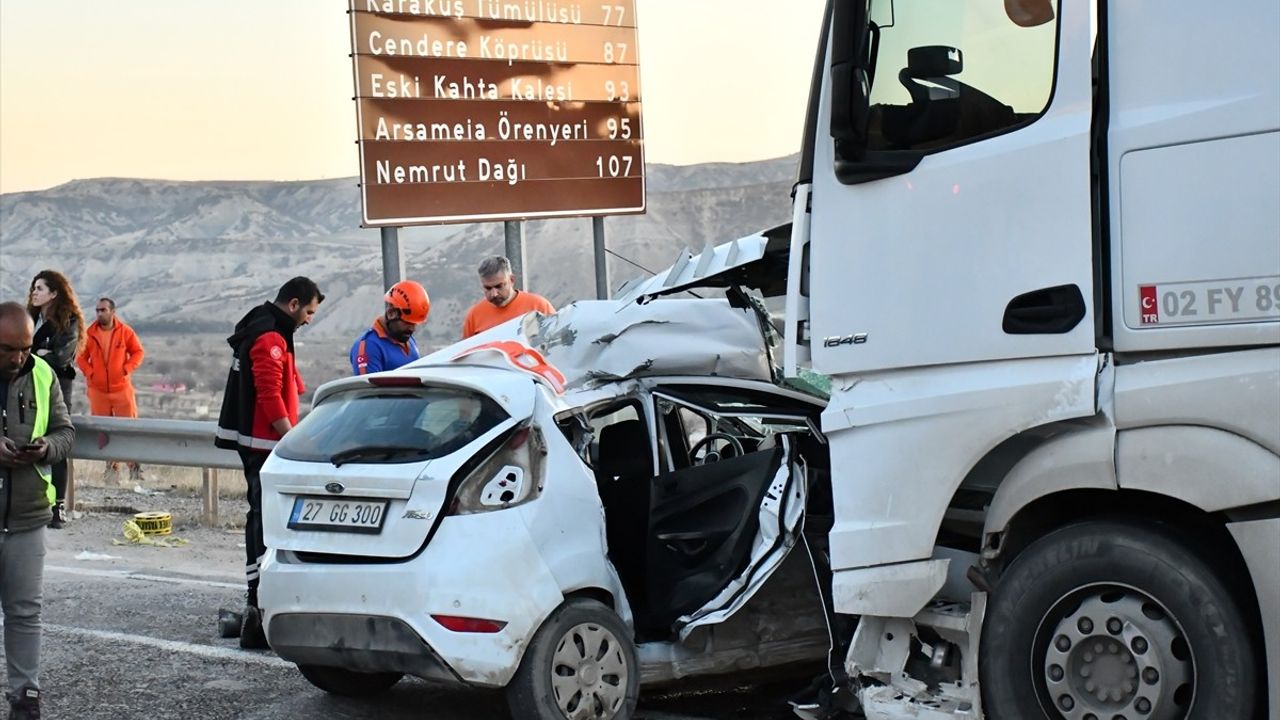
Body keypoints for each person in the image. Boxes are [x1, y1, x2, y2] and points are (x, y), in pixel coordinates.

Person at [214, 277, 323, 649]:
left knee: (261, 520)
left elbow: (285, 386)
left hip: (260, 444)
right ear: (293, 304)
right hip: (266, 447)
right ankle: (257, 606)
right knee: (264, 523)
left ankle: (258, 607)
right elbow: (270, 395)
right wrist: (291, 437)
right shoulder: (270, 338)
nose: (309, 320)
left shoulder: (265, 327)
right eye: (308, 311)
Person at [0, 301, 76, 720]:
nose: (18, 358)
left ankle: (25, 698)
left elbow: (67, 433)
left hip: (29, 514)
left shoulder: (44, 375)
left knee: (26, 612)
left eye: (25, 348)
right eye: (8, 349)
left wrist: (46, 447)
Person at [27, 270, 84, 530]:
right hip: (27, 388)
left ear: (54, 293)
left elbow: (61, 358)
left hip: (57, 388)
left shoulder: (68, 321)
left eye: (40, 288)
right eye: (33, 288)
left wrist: (35, 355)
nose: (34, 292)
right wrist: (39, 352)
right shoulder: (29, 318)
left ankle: (57, 506)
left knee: (57, 445)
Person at [76, 297, 146, 483]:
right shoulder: (89, 333)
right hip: (98, 391)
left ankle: (135, 470)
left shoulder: (125, 332)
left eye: (103, 310)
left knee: (129, 429)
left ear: (112, 312)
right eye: (97, 310)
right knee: (103, 431)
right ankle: (111, 471)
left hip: (122, 389)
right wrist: (90, 373)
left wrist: (126, 368)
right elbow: (80, 356)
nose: (99, 313)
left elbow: (138, 352)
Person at [461, 256, 556, 339]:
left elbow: (558, 340)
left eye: (499, 286)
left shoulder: (538, 306)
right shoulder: (474, 315)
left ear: (511, 280)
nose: (494, 294)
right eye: (488, 288)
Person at [349, 280, 430, 375]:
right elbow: (367, 388)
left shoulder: (407, 339)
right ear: (391, 313)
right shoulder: (369, 347)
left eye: (415, 324)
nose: (412, 329)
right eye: (407, 322)